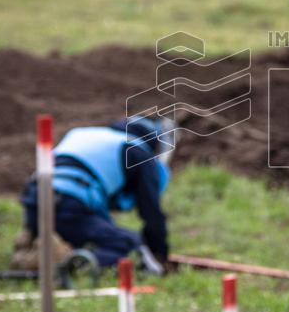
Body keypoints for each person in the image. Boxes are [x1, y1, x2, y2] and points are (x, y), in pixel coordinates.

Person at [20, 115, 174, 272]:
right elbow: (151, 212)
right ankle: (69, 264)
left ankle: (37, 244)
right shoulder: (137, 151)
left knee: (96, 233)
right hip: (69, 205)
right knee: (129, 244)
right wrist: (158, 252)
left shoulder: (85, 135)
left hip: (34, 200)